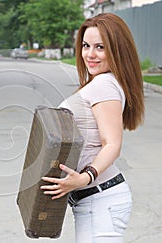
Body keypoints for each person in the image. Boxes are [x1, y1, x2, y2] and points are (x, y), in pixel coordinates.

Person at [40, 13, 144, 242]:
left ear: (117, 50)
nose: (90, 54)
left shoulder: (104, 85)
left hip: (101, 200)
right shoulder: (103, 83)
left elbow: (113, 144)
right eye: (86, 45)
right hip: (94, 200)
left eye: (100, 47)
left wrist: (85, 177)